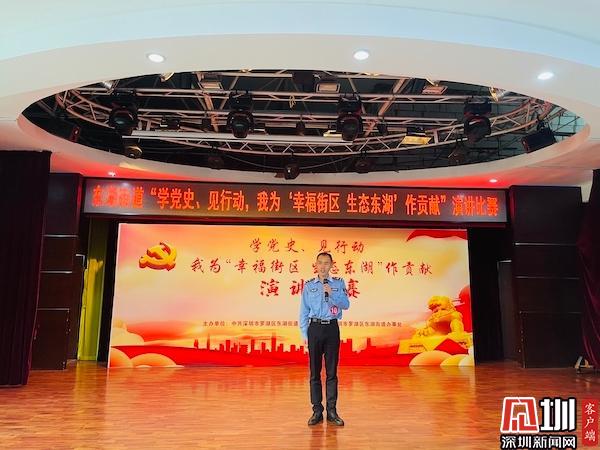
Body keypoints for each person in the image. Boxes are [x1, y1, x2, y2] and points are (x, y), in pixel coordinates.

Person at [299, 252, 350, 426]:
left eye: (326, 263)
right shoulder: (309, 286)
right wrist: (305, 335)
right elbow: (303, 312)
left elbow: (346, 305)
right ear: (316, 265)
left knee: (331, 373)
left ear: (331, 265)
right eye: (320, 263)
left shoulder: (338, 283)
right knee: (314, 373)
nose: (323, 266)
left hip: (331, 328)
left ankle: (332, 411)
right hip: (314, 328)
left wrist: (332, 295)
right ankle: (317, 411)